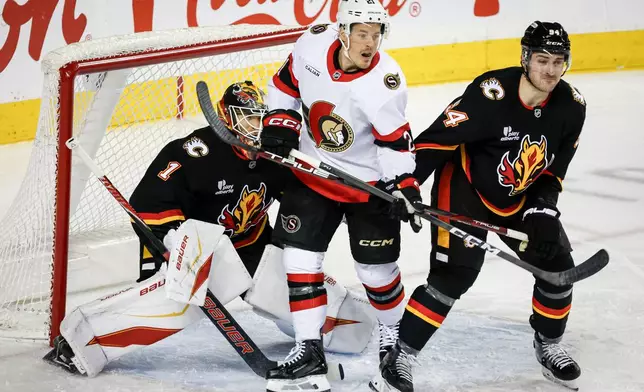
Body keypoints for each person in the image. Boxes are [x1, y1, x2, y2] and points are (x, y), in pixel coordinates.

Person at [43, 81, 376, 378]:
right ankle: (78, 341)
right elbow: (149, 199)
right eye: (247, 118)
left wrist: (351, 203)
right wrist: (174, 239)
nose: (255, 127)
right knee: (175, 301)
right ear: (226, 117)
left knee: (334, 313)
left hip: (254, 244)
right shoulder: (196, 152)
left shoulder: (275, 153)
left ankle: (352, 327)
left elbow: (312, 192)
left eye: (260, 118)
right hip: (199, 248)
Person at [371, 21, 587, 392]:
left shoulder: (571, 106)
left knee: (558, 267)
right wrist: (407, 185)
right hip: (465, 188)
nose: (550, 70)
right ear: (525, 58)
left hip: (518, 196)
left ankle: (548, 344)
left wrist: (543, 211)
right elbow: (434, 142)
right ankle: (400, 356)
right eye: (542, 60)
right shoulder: (491, 95)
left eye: (558, 61)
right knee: (455, 275)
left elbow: (552, 173)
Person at [259, 1, 424, 391]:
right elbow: (284, 87)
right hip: (313, 173)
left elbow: (395, 143)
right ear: (342, 32)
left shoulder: (385, 80)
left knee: (376, 274)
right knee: (299, 261)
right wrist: (281, 123)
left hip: (366, 185)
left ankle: (393, 340)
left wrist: (402, 184)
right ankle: (309, 351)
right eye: (362, 33)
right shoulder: (311, 45)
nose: (370, 43)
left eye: (376, 34)